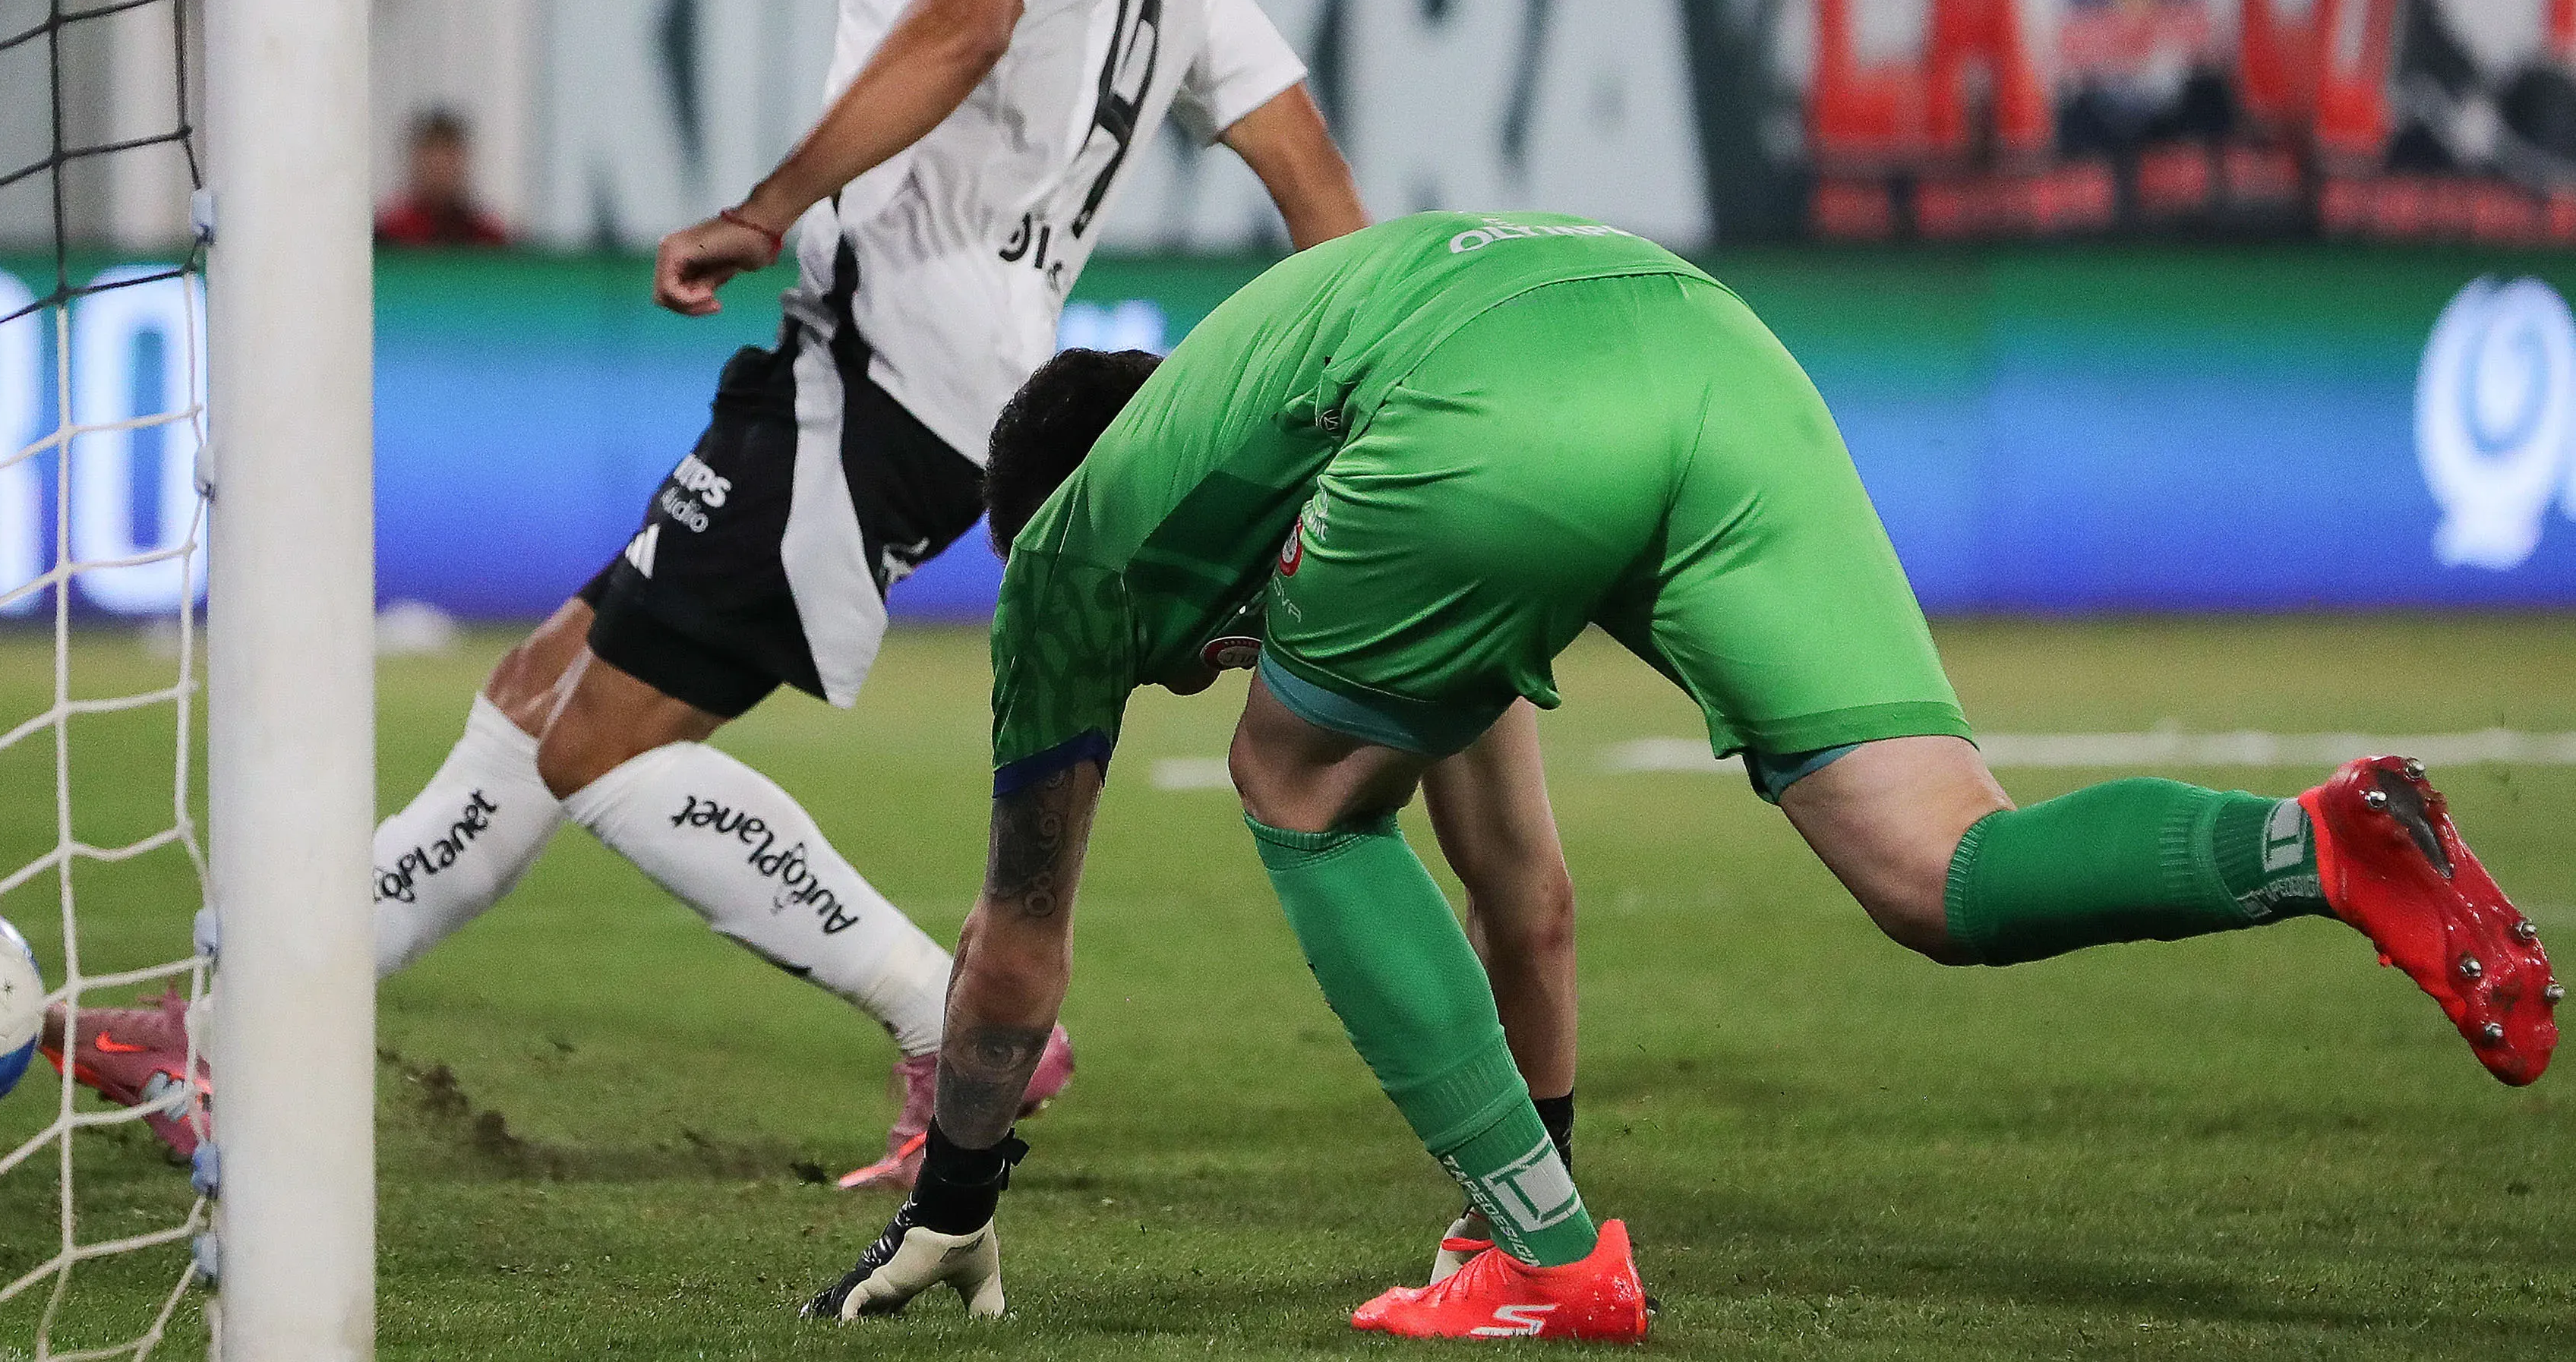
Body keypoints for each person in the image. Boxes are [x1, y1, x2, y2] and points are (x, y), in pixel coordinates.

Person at [59, 0, 1583, 1193]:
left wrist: (770, 198)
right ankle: (227, 1033)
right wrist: (1361, 390)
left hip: (884, 379)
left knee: (603, 750)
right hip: (903, 379)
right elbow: (1308, 164)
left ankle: (952, 1021)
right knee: (539, 694)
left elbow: (965, 15)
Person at [801, 210, 2559, 1338]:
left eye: (1160, 654)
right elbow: (1524, 894)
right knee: (1938, 871)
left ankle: (1555, 1268)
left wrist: (953, 1201)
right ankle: (2314, 841)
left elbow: (1015, 952)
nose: (1178, 672)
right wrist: (1524, 1176)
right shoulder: (1313, 456)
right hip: (1704, 347)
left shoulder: (1062, 570)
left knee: (1289, 785)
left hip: (1497, 408)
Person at [375, 110, 516, 247]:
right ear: (415, 161)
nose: (440, 168)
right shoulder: (390, 235)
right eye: (431, 158)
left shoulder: (485, 238)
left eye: (448, 157)